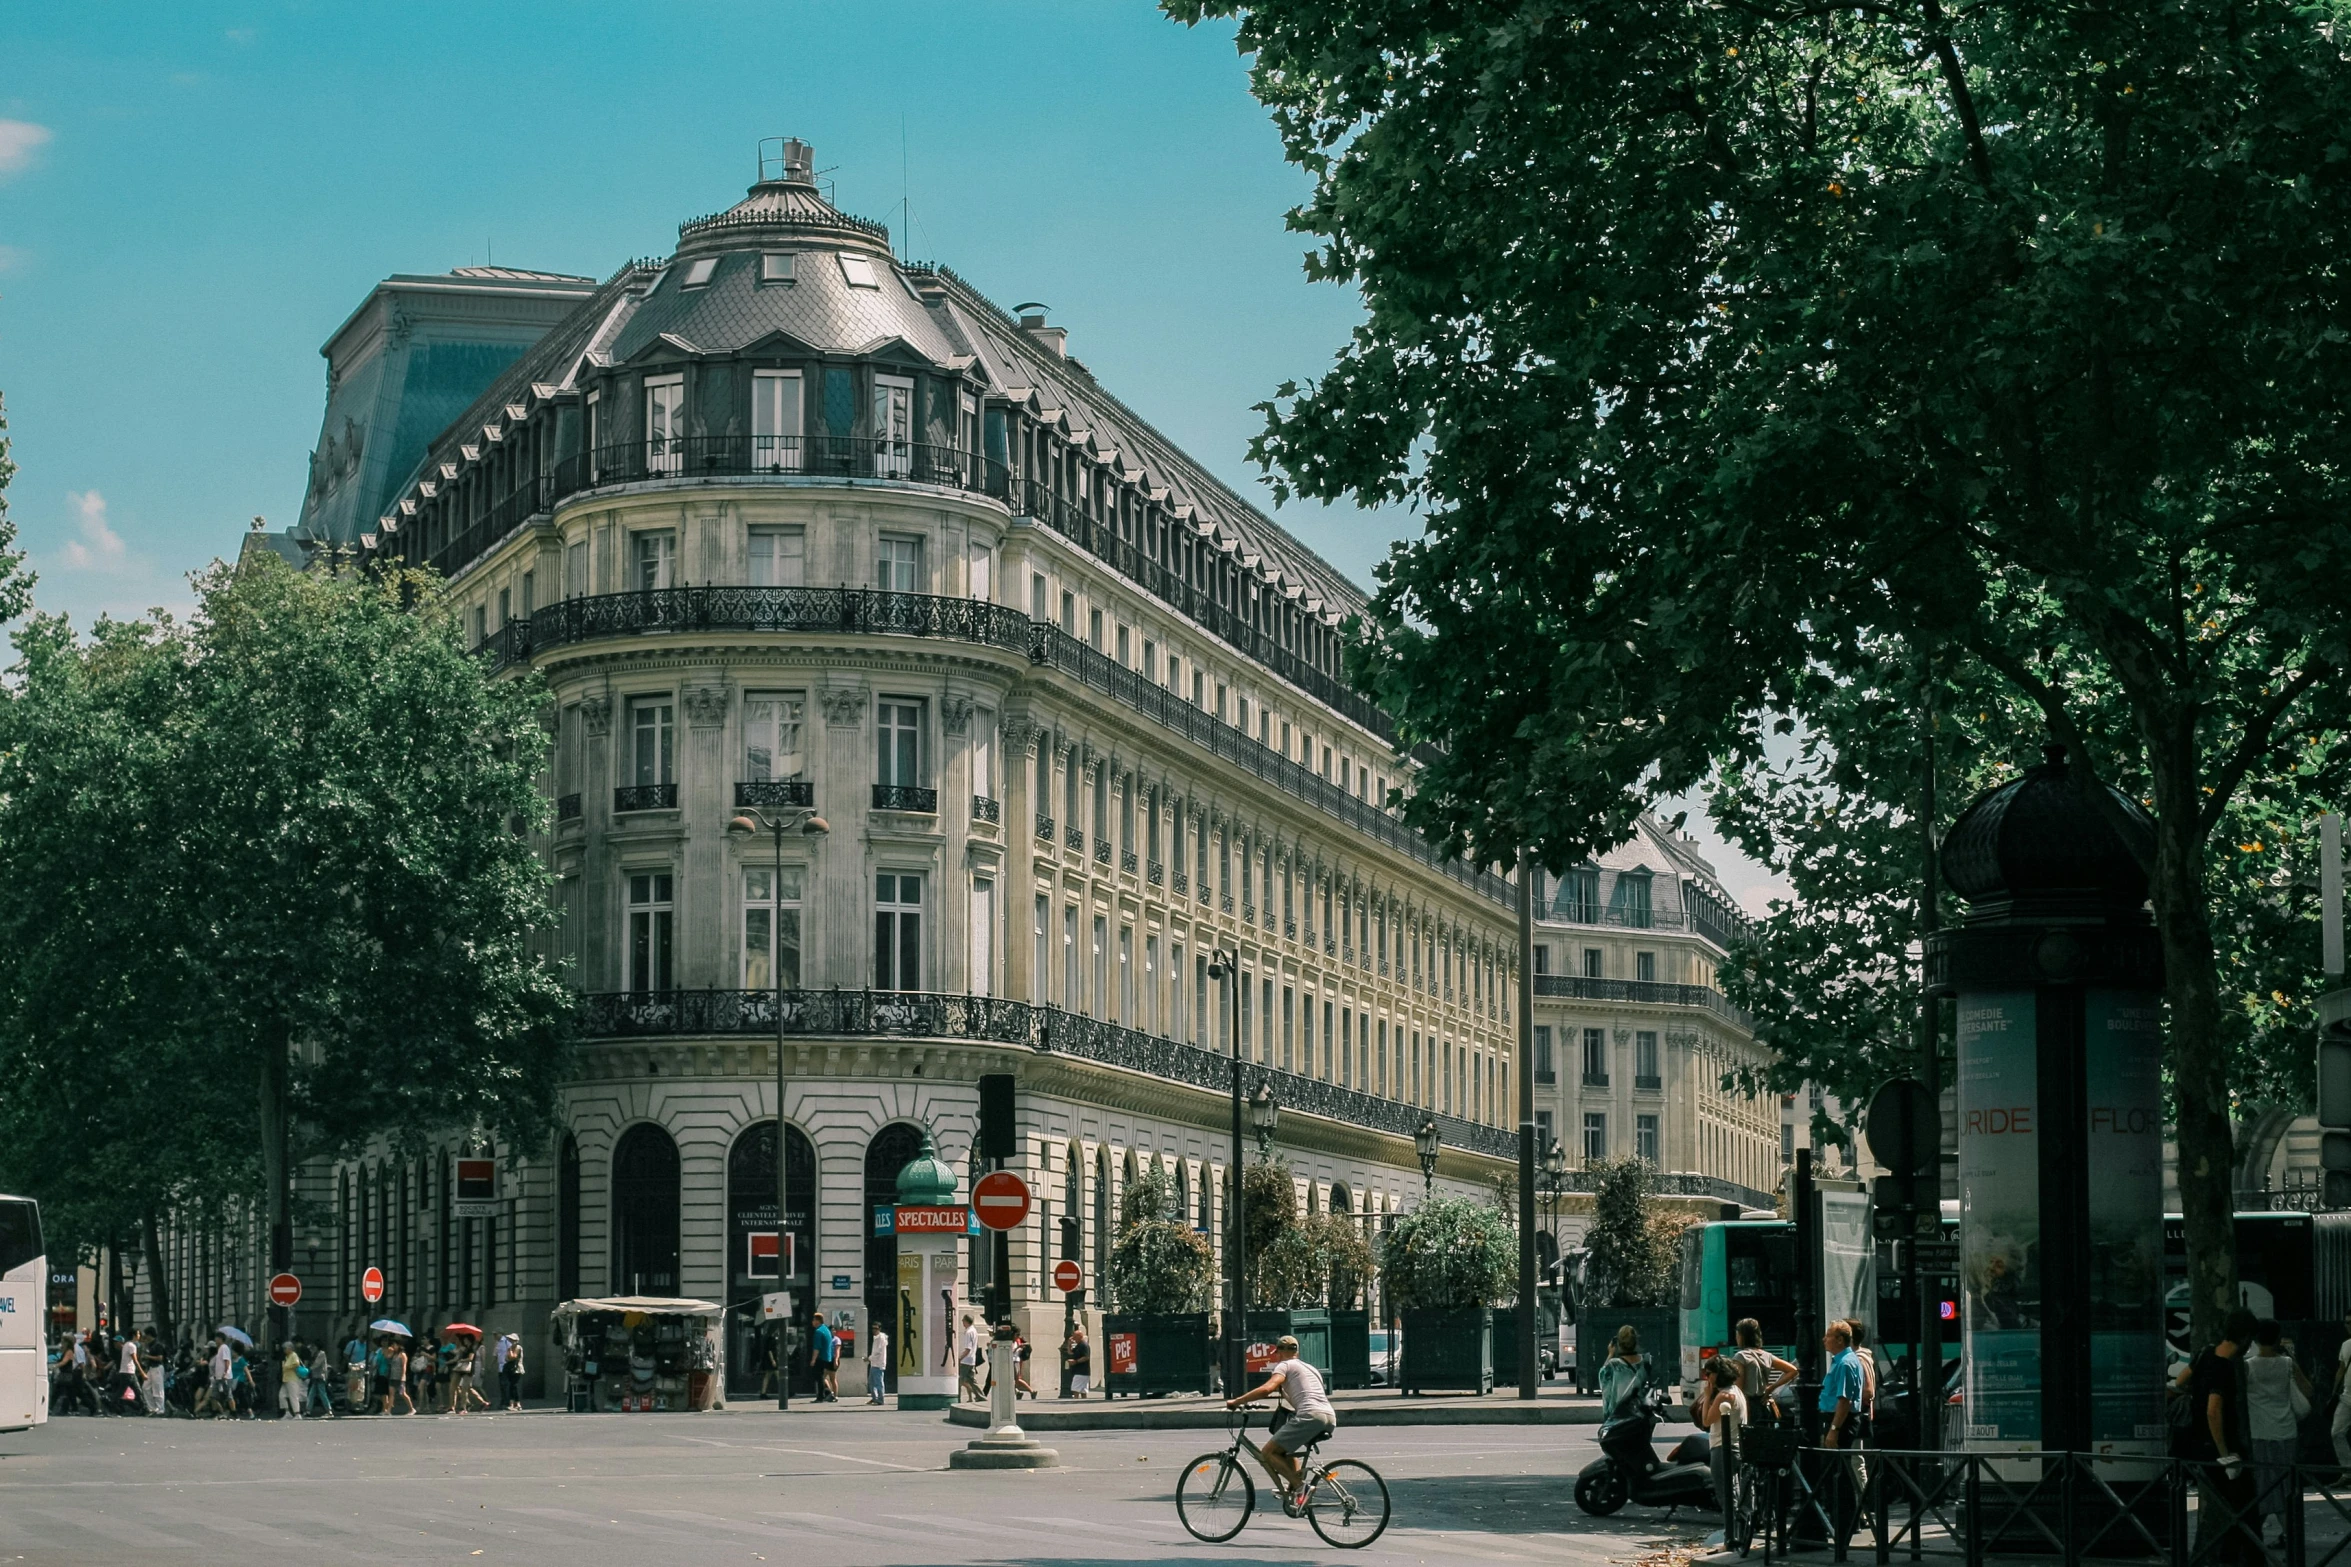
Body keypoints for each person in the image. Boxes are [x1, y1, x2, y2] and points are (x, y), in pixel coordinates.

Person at [1225, 1334, 1339, 1514]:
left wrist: (1237, 1401)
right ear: (1297, 1351)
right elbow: (1301, 1394)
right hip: (1329, 1416)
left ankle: (1301, 1487)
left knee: (1268, 1452)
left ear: (1279, 1352)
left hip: (1310, 1415)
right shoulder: (1310, 1368)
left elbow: (1266, 1388)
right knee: (1284, 1449)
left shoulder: (1284, 1365)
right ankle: (1295, 1490)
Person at [2193, 1307, 2263, 1567]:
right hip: (2221, 1449)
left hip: (2200, 1446)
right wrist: (2226, 1455)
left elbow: (2180, 1382)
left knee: (2236, 1507)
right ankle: (2242, 1559)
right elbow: (2214, 1410)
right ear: (2244, 1338)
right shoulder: (2223, 1367)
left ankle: (2232, 1557)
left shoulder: (2205, 1354)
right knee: (2243, 1507)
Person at [2245, 1318, 2313, 1546]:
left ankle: (2254, 1535)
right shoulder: (2287, 1364)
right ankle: (2291, 1535)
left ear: (2254, 1338)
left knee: (2262, 1485)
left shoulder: (2247, 1366)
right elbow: (2308, 1390)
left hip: (2259, 1432)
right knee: (2286, 1486)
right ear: (2277, 1338)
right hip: (2286, 1431)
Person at [1698, 1356, 1750, 1542]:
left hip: (1723, 1448)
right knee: (1736, 1493)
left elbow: (1706, 1421)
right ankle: (1740, 1533)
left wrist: (1706, 1396)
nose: (1706, 1377)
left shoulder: (1723, 1396)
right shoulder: (1737, 1391)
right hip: (1738, 1448)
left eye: (1708, 1373)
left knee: (1725, 1495)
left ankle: (1732, 1536)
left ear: (1717, 1375)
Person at [1731, 1317, 1797, 1420]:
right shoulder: (1767, 1355)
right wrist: (1771, 1388)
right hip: (1764, 1404)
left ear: (1742, 1336)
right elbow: (1793, 1370)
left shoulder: (1741, 1356)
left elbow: (1738, 1387)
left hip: (1748, 1405)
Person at [1598, 1324, 1648, 1420]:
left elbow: (1603, 1380)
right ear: (1635, 1342)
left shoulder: (1613, 1365)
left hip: (1618, 1416)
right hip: (1639, 1414)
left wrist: (1611, 1354)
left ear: (1618, 1343)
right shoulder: (1645, 1363)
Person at [810, 1316, 837, 1402]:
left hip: (820, 1357)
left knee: (819, 1377)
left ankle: (822, 1396)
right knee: (821, 1376)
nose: (812, 1322)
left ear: (817, 1321)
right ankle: (828, 1393)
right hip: (827, 1357)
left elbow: (817, 1347)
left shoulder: (818, 1331)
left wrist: (813, 1359)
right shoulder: (826, 1329)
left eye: (813, 1320)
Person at [958, 1316, 983, 1403]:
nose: (962, 1323)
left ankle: (957, 1398)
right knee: (972, 1381)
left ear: (966, 1321)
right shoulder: (974, 1331)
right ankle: (981, 1396)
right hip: (972, 1359)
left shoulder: (968, 1332)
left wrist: (960, 1358)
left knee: (959, 1380)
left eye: (963, 1321)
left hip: (966, 1360)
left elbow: (968, 1348)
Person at [497, 1335, 525, 1410]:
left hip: (516, 1369)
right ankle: (512, 1404)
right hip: (510, 1369)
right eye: (510, 1340)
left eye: (512, 1340)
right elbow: (506, 1359)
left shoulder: (518, 1347)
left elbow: (513, 1357)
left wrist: (510, 1351)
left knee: (514, 1386)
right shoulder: (510, 1348)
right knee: (511, 1386)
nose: (511, 1342)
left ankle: (518, 1403)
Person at [307, 1342, 334, 1417]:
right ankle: (308, 1410)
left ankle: (329, 1410)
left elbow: (316, 1364)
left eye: (314, 1347)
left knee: (322, 1393)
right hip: (315, 1376)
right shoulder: (315, 1354)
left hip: (320, 1376)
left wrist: (309, 1369)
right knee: (311, 1394)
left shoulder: (322, 1354)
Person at [279, 1342, 306, 1417]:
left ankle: (297, 1413)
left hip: (292, 1379)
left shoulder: (294, 1355)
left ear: (290, 1348)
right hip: (286, 1379)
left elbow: (296, 1364)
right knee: (281, 1395)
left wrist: (287, 1367)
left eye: (285, 1348)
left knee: (293, 1396)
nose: (284, 1350)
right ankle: (287, 1412)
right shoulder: (287, 1357)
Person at [1065, 1326, 1092, 1398]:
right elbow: (1070, 1353)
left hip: (1081, 1371)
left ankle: (1076, 1401)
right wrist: (1069, 1344)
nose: (1073, 1338)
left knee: (1075, 1388)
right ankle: (1083, 1402)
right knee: (1083, 1390)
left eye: (1075, 1337)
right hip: (1081, 1371)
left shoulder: (1084, 1345)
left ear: (1080, 1336)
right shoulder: (1078, 1345)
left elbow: (1086, 1357)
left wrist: (1075, 1361)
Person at [867, 1326, 890, 1404]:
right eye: (873, 1328)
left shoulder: (881, 1338)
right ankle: (875, 1398)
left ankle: (880, 1399)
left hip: (878, 1364)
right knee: (871, 1382)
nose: (874, 1330)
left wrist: (869, 1358)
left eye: (876, 1328)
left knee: (878, 1382)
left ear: (879, 1329)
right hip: (874, 1364)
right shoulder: (876, 1338)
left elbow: (878, 1352)